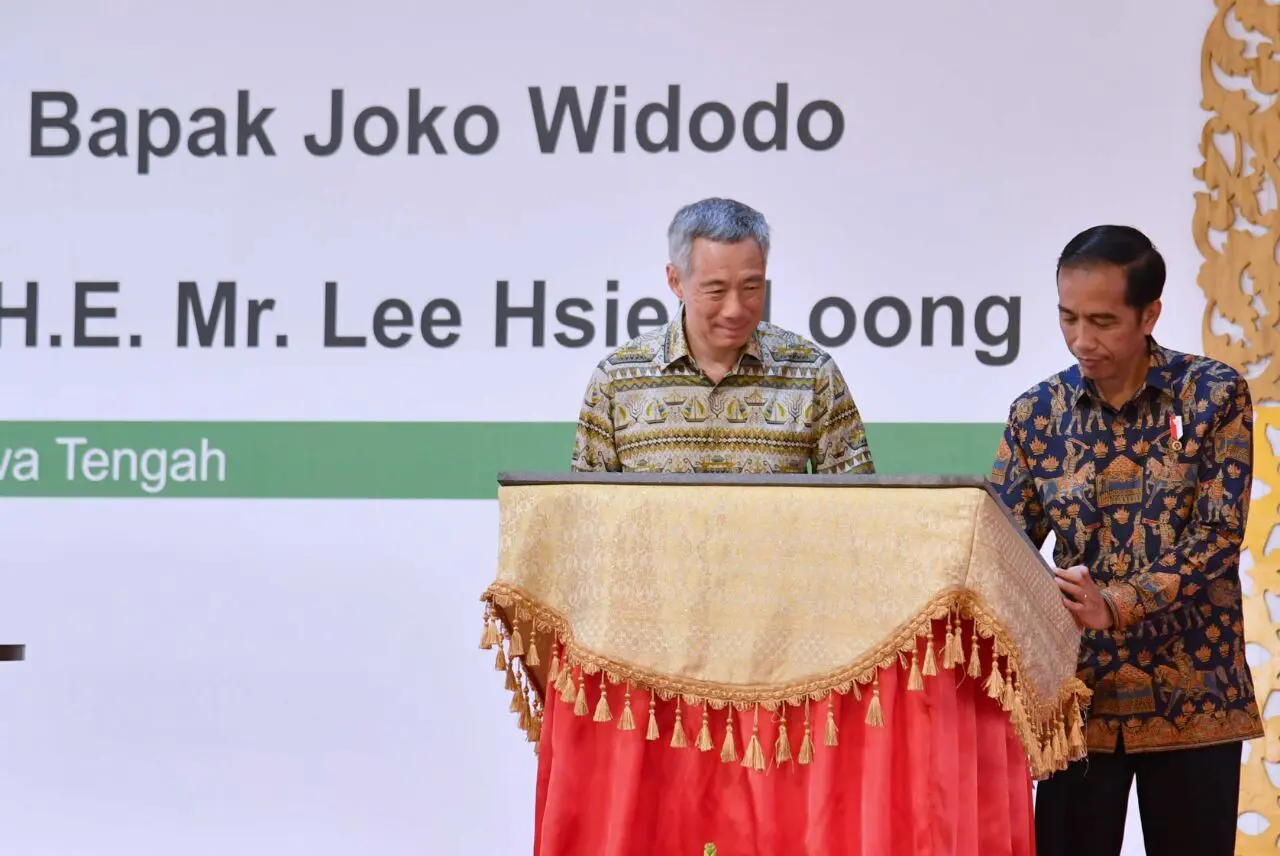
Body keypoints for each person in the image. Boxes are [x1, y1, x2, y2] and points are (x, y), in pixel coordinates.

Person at [987, 224, 1263, 856]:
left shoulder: (1213, 396)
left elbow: (1216, 536)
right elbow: (1003, 544)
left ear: (1150, 314)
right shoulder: (1037, 413)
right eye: (1068, 318)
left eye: (1104, 321)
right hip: (1077, 703)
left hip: (1195, 696)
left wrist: (1117, 602)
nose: (1083, 340)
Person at [570, 196, 875, 475]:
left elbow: (857, 511)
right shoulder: (615, 379)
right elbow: (586, 515)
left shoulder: (814, 374)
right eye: (716, 290)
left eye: (752, 287)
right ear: (676, 281)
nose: (735, 309)